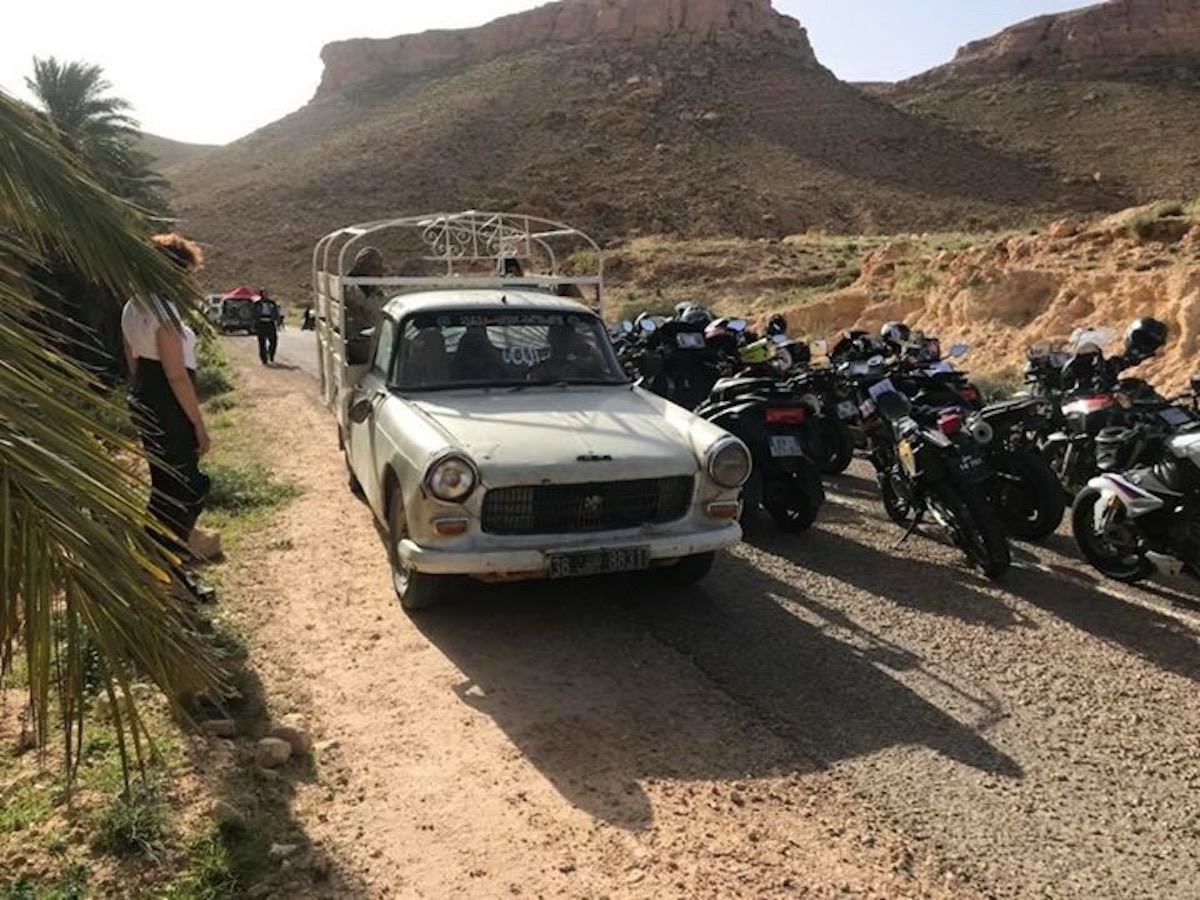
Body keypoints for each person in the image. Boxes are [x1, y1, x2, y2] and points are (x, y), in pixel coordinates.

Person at [121, 232, 214, 602]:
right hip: (168, 403)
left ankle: (155, 564)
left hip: (144, 396)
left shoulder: (132, 305)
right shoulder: (165, 311)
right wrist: (198, 424)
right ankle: (170, 570)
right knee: (188, 487)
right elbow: (176, 374)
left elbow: (131, 357)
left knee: (165, 485)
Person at [253, 287, 281, 365]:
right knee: (262, 342)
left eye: (266, 293)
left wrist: (278, 321)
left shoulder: (272, 303)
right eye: (264, 293)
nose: (266, 294)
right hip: (261, 324)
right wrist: (254, 323)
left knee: (274, 341)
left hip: (270, 323)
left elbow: (276, 313)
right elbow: (253, 314)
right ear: (261, 294)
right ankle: (264, 359)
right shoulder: (257, 304)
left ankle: (271, 355)